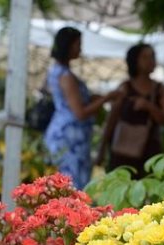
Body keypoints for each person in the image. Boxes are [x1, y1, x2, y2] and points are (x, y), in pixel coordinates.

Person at [44, 27, 121, 188]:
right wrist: (107, 98)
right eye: (78, 44)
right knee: (71, 187)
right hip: (70, 138)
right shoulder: (65, 76)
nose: (80, 48)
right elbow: (79, 112)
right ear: (68, 45)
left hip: (66, 136)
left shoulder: (58, 71)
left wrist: (94, 98)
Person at [98, 43, 164, 176]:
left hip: (149, 152)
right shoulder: (125, 88)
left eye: (152, 57)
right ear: (135, 60)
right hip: (123, 153)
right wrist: (102, 149)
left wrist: (149, 107)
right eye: (145, 57)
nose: (151, 61)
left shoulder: (159, 89)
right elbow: (112, 119)